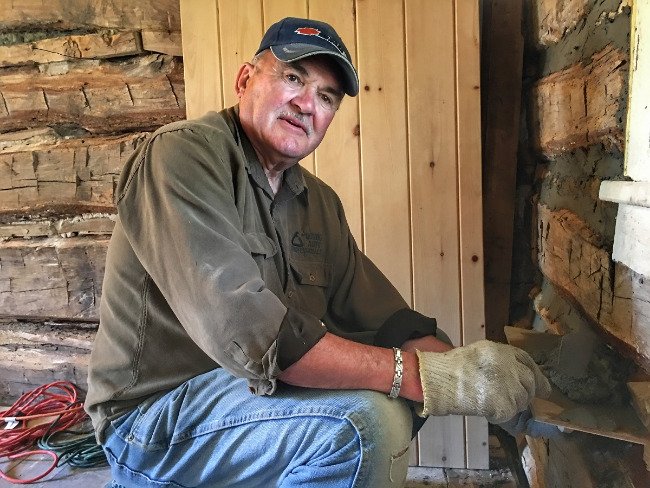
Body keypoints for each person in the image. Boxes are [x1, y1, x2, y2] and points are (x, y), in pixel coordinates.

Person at [86, 17, 550, 488]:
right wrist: (423, 375)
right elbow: (253, 334)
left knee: (401, 395)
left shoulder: (317, 201)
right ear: (245, 79)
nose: (307, 104)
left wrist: (473, 375)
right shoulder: (181, 158)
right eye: (293, 78)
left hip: (249, 400)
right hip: (155, 419)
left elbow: (386, 319)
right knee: (362, 425)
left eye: (326, 97)